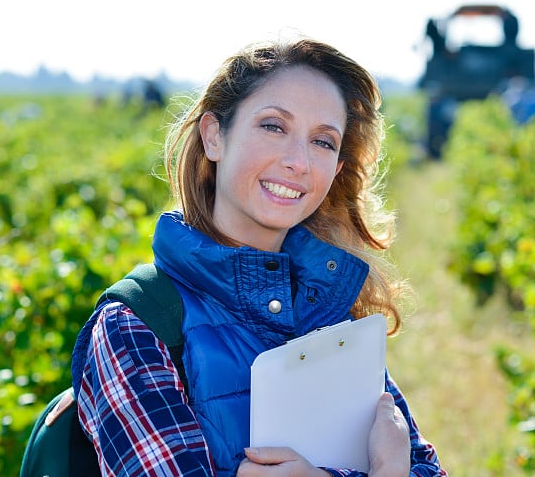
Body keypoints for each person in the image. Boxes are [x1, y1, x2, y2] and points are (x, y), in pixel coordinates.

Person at [71, 37, 447, 476]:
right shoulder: (137, 326)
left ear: (336, 171)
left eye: (323, 142)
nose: (298, 161)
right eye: (273, 126)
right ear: (214, 136)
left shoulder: (327, 306)